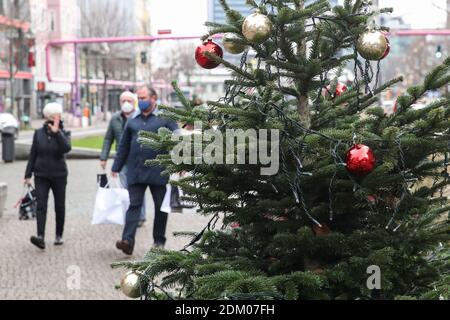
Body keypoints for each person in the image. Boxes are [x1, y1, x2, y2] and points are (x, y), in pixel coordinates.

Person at [112, 86, 179, 255]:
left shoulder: (165, 118)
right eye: (139, 98)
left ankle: (158, 241)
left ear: (153, 98)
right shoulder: (133, 119)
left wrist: (182, 163)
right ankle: (127, 241)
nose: (140, 101)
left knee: (160, 208)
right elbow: (123, 146)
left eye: (143, 98)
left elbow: (179, 140)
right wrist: (116, 167)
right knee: (133, 205)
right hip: (136, 171)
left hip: (158, 172)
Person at [24, 103, 72, 250]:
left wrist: (57, 133)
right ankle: (40, 237)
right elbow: (33, 154)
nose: (57, 118)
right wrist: (28, 174)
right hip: (41, 175)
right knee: (41, 206)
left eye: (58, 115)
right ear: (48, 117)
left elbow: (66, 148)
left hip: (59, 175)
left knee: (59, 206)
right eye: (54, 116)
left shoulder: (64, 132)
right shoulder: (38, 133)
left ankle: (59, 235)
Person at [100, 91, 146, 226]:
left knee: (139, 189)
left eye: (129, 100)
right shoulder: (115, 118)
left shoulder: (139, 116)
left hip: (138, 159)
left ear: (134, 102)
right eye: (123, 100)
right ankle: (130, 215)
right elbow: (108, 138)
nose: (126, 103)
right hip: (123, 160)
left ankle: (141, 216)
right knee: (126, 189)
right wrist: (104, 157)